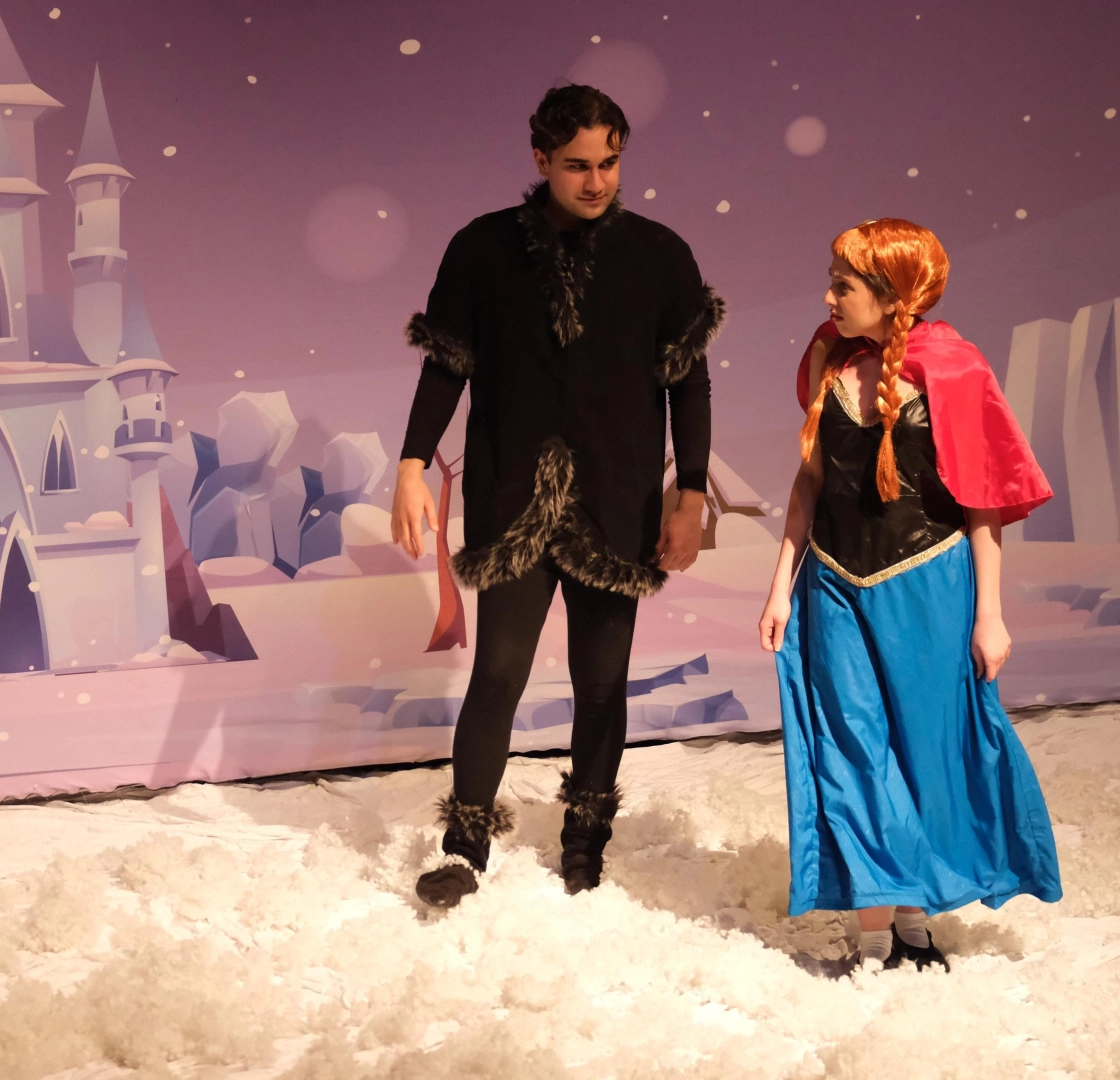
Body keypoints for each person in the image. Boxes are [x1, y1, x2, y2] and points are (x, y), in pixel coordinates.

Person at [392, 84, 723, 909]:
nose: (597, 180)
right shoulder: (482, 248)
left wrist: (690, 495)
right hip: (513, 497)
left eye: (610, 162)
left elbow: (689, 383)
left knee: (602, 680)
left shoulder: (659, 255)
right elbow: (446, 366)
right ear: (540, 159)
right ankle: (465, 845)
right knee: (498, 672)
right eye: (577, 165)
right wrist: (410, 462)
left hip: (618, 497)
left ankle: (586, 840)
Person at [758, 218, 1061, 972]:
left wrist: (990, 616)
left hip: (929, 585)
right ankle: (872, 932)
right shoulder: (827, 358)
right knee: (852, 749)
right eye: (832, 281)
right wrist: (781, 587)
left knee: (926, 750)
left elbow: (983, 504)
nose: (828, 297)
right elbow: (810, 483)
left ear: (893, 296)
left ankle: (915, 922)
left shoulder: (952, 368)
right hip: (834, 584)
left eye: (844, 285)